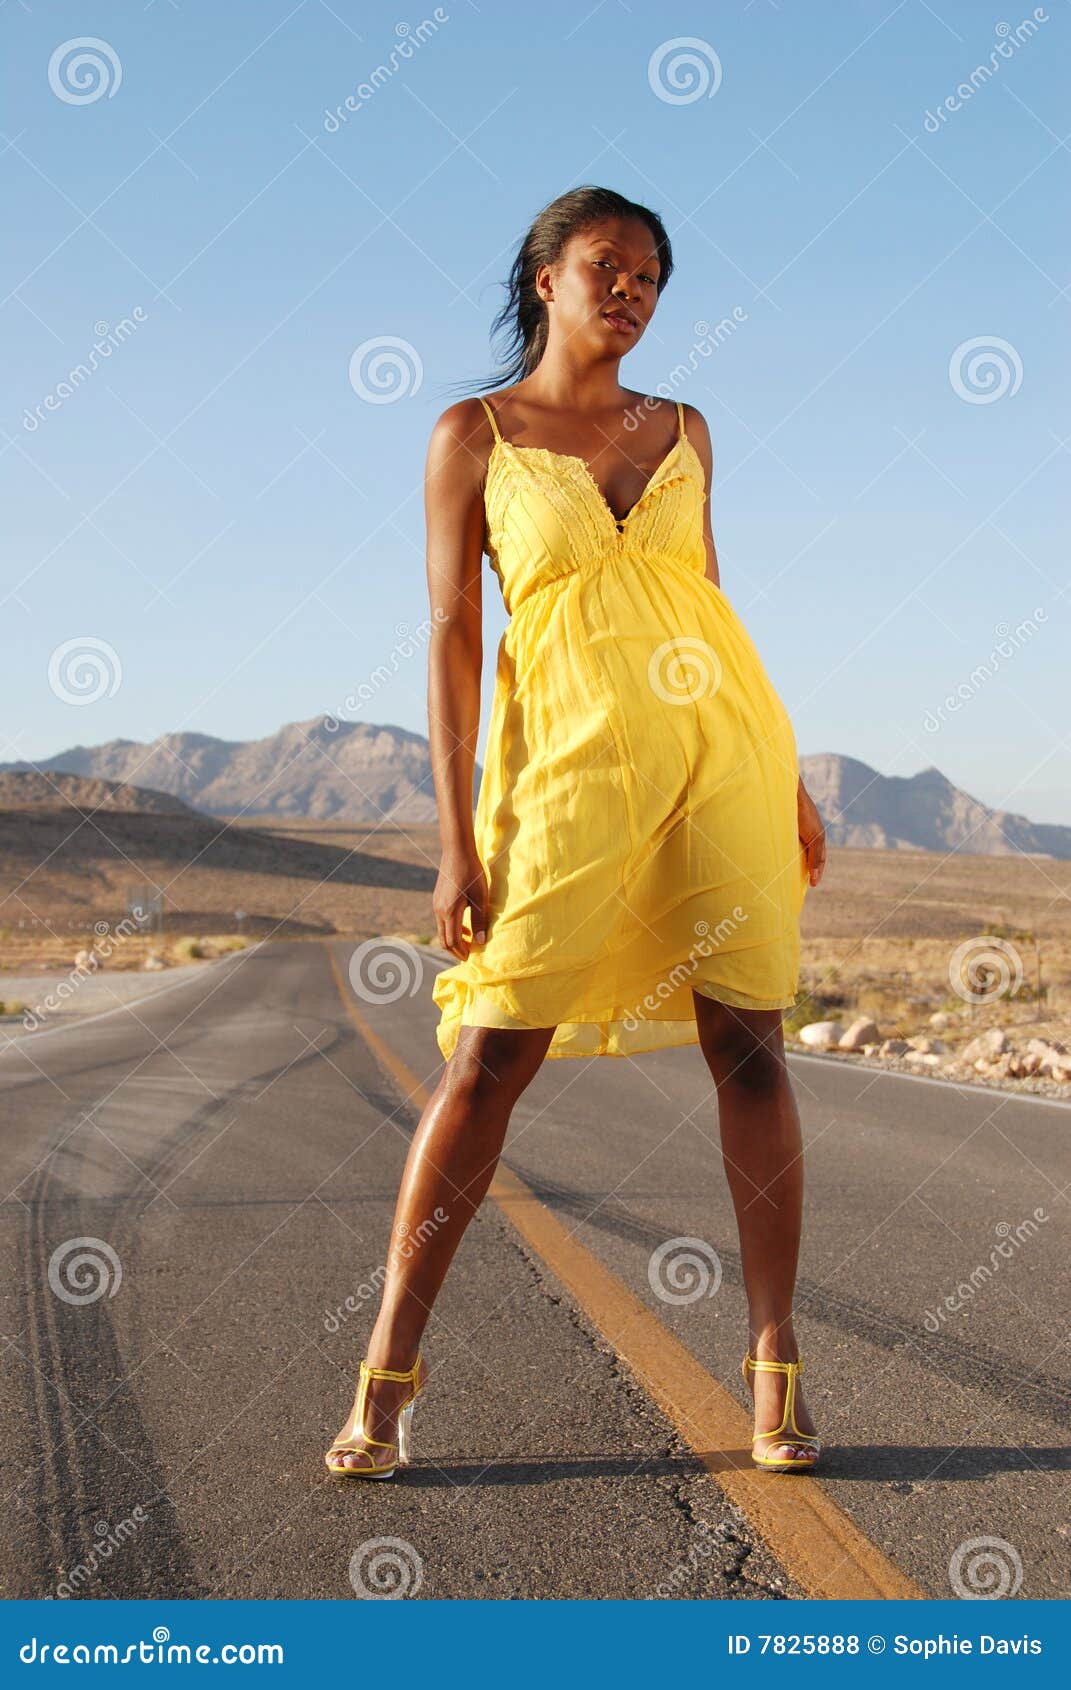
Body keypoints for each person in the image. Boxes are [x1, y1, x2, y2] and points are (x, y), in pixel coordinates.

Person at [325, 186, 827, 1481]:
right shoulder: (473, 434)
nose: (633, 292)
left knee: (752, 1048)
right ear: (543, 277)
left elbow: (708, 599)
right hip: (564, 772)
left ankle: (776, 1371)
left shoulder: (688, 429)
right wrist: (453, 838)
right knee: (489, 1054)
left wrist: (792, 778)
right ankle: (385, 1372)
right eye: (608, 266)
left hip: (722, 757)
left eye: (652, 276)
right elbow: (449, 636)